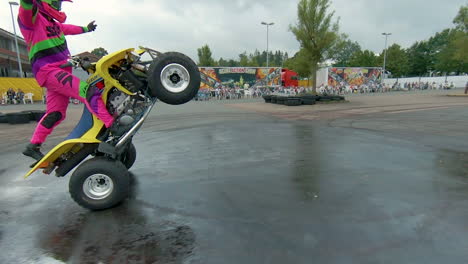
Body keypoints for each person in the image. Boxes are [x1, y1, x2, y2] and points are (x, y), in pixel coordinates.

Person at [18, 0, 114, 161]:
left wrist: (86, 29)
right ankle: (112, 126)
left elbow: (69, 29)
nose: (59, 6)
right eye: (57, 2)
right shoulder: (32, 20)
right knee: (88, 91)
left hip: (59, 71)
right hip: (49, 71)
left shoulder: (54, 25)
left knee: (56, 114)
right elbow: (26, 6)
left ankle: (32, 146)